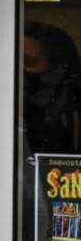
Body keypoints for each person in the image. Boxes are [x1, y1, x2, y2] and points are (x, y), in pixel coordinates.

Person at [23, 20, 81, 155]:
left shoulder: (71, 118)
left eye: (29, 62)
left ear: (59, 68)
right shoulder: (7, 111)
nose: (20, 70)